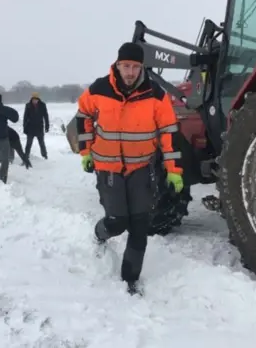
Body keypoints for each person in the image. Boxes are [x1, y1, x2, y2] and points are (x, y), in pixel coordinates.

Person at [75, 42, 184, 295]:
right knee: (117, 221)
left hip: (141, 169)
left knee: (139, 225)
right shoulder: (98, 89)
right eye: (126, 66)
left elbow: (169, 133)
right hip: (108, 168)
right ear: (117, 64)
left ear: (142, 67)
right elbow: (83, 118)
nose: (130, 72)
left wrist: (174, 170)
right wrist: (86, 152)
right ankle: (100, 233)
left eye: (135, 66)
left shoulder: (155, 94)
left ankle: (130, 279)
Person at [23, 92, 50, 160]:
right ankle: (26, 156)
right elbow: (25, 117)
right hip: (30, 128)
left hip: (39, 127)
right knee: (28, 144)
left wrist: (47, 126)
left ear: (38, 99)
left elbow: (46, 116)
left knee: (41, 143)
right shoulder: (28, 105)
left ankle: (45, 156)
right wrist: (25, 127)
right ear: (31, 99)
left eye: (36, 99)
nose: (35, 100)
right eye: (33, 99)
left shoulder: (42, 105)